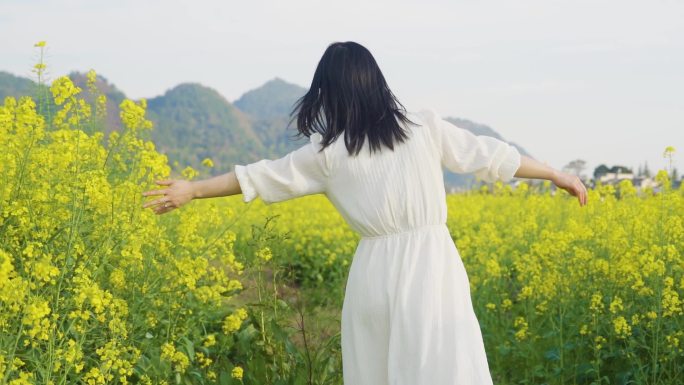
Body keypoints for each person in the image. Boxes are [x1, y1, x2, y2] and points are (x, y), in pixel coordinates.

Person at [143, 41, 588, 384]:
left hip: (373, 274)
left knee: (378, 370)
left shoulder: (326, 155)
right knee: (445, 367)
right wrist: (554, 174)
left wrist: (192, 190)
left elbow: (256, 177)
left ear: (328, 93)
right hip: (430, 267)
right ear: (377, 82)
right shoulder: (423, 128)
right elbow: (491, 156)